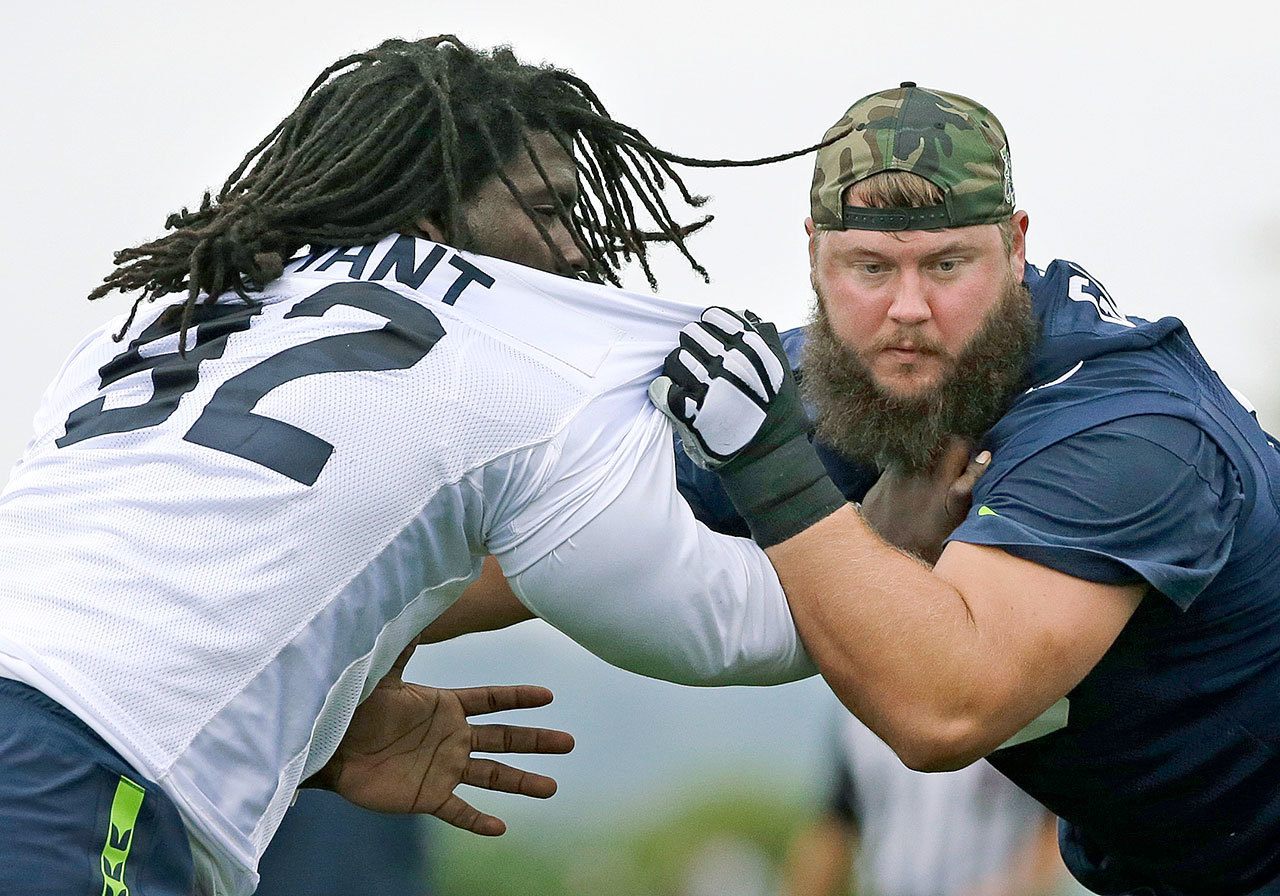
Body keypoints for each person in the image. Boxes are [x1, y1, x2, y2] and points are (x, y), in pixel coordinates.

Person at [0, 36, 836, 896]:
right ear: (436, 231)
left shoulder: (149, 321)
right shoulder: (498, 364)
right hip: (70, 780)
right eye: (548, 210)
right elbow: (732, 625)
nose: (580, 249)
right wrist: (891, 536)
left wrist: (306, 730)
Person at [651, 84, 1280, 896]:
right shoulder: (847, 375)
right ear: (814, 254)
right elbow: (547, 503)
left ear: (1016, 247)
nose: (909, 310)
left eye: (947, 265)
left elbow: (940, 712)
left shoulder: (1130, 432)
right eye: (870, 266)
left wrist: (777, 474)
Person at [782, 694, 1066, 896]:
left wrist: (1015, 886)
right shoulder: (859, 709)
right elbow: (837, 824)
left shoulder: (1025, 700)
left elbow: (1058, 825)